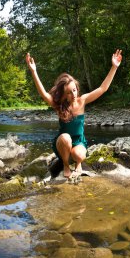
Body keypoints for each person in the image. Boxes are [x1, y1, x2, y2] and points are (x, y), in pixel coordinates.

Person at [25, 49, 122, 178]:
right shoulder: (59, 105)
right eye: (69, 93)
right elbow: (43, 94)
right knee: (65, 137)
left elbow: (102, 88)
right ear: (64, 95)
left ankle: (78, 163)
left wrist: (114, 67)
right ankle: (65, 164)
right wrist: (33, 71)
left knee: (79, 155)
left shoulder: (82, 101)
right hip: (63, 143)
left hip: (79, 142)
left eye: (74, 90)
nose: (73, 94)